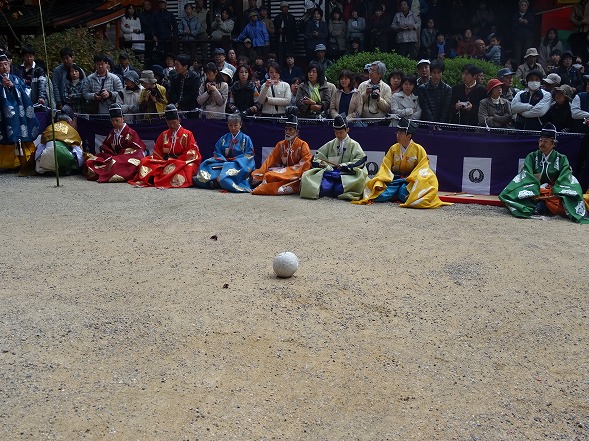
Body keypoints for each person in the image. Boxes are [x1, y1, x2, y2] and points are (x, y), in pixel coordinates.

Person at [499, 123, 589, 223]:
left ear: (554, 144)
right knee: (511, 193)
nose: (542, 143)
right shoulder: (532, 156)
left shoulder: (562, 158)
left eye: (546, 141)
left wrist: (556, 189)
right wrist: (534, 188)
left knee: (568, 196)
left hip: (553, 190)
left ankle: (541, 206)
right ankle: (540, 206)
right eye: (540, 140)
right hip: (534, 187)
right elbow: (526, 173)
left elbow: (566, 175)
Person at [353, 117, 449, 208]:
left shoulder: (419, 149)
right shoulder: (393, 148)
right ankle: (395, 193)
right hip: (395, 179)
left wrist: (411, 178)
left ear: (409, 136)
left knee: (403, 193)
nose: (398, 135)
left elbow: (423, 168)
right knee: (379, 196)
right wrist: (382, 179)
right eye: (397, 132)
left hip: (410, 180)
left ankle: (397, 194)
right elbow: (385, 166)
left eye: (401, 133)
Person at [130, 104, 201, 188]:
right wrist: (162, 161)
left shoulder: (188, 134)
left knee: (187, 168)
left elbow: (192, 152)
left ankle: (157, 178)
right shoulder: (164, 135)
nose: (171, 125)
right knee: (145, 161)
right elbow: (157, 152)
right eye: (169, 123)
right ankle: (157, 178)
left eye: (174, 123)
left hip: (181, 162)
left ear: (179, 120)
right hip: (165, 161)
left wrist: (176, 161)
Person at [300, 115, 368, 200]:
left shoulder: (354, 144)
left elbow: (360, 159)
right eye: (336, 132)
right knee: (324, 188)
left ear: (347, 130)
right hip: (331, 173)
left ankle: (336, 188)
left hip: (347, 173)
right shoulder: (331, 144)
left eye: (341, 132)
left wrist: (345, 165)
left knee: (339, 189)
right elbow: (318, 156)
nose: (338, 135)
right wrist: (323, 164)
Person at [250, 114, 312, 195]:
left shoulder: (303, 145)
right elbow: (270, 160)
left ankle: (263, 187)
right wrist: (260, 173)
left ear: (297, 132)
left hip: (297, 174)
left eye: (290, 130)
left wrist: (299, 175)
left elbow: (306, 163)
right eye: (286, 129)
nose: (287, 132)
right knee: (264, 174)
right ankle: (263, 182)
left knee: (272, 178)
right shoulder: (281, 144)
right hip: (283, 172)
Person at [194, 113, 255, 192]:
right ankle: (215, 181)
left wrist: (234, 160)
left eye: (235, 125)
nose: (233, 128)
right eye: (230, 125)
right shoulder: (224, 138)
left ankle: (216, 181)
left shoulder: (246, 139)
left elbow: (249, 155)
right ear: (227, 125)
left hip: (239, 164)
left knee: (231, 169)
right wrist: (223, 160)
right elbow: (217, 152)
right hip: (223, 162)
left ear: (240, 125)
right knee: (207, 163)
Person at [85, 104, 146, 183]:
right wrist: (109, 154)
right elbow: (106, 146)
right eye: (113, 121)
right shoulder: (112, 132)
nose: (115, 123)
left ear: (123, 119)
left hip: (128, 156)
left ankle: (107, 172)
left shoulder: (130, 132)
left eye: (117, 120)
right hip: (114, 156)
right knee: (91, 160)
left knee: (117, 163)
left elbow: (138, 148)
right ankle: (106, 170)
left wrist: (120, 155)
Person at [0, 52, 39, 172]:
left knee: (20, 134)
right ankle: (5, 164)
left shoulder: (16, 79)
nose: (4, 67)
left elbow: (26, 91)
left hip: (18, 114)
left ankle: (22, 161)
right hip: (2, 115)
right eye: (1, 65)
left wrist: (15, 87)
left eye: (6, 64)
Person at [34, 106, 83, 175]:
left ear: (57, 119)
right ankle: (66, 169)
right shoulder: (72, 130)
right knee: (76, 150)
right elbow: (78, 151)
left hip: (46, 158)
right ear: (70, 121)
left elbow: (40, 147)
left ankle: (47, 169)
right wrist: (80, 166)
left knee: (42, 150)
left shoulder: (49, 127)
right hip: (64, 157)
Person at [417, 59, 452, 123]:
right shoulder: (422, 88)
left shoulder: (447, 89)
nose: (436, 75)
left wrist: (441, 124)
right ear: (430, 72)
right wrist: (432, 123)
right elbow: (425, 107)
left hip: (442, 125)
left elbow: (445, 109)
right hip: (426, 123)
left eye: (438, 73)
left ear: (442, 73)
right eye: (434, 72)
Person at [512, 0, 535, 64]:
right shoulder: (515, 15)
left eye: (525, 5)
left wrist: (526, 23)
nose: (523, 7)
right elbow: (513, 27)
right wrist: (519, 22)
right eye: (522, 5)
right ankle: (517, 68)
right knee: (517, 54)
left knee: (526, 53)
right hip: (518, 38)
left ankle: (526, 68)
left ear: (527, 7)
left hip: (528, 38)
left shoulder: (530, 15)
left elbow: (533, 26)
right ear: (519, 6)